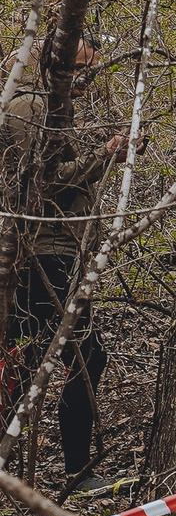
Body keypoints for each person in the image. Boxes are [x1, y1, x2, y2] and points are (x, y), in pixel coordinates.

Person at [1, 37, 124, 490]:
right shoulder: (29, 108)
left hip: (58, 253)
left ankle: (51, 469)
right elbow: (44, 187)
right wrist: (103, 156)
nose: (87, 82)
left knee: (31, 362)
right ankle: (73, 471)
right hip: (42, 256)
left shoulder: (51, 108)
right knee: (79, 358)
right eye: (80, 69)